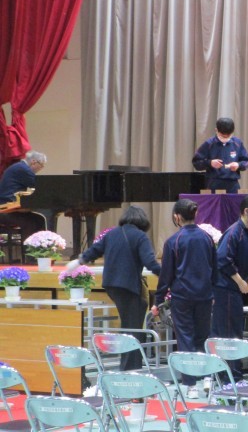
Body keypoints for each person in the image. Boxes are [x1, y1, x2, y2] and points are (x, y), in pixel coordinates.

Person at [66, 206, 161, 370]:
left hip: (111, 285)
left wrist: (79, 261)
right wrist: (168, 275)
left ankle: (129, 365)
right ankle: (130, 369)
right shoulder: (140, 236)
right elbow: (150, 262)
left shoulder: (111, 234)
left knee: (129, 322)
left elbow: (94, 251)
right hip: (128, 286)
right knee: (133, 328)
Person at [152, 199, 217, 399]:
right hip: (205, 295)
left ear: (177, 216)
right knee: (203, 336)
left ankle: (191, 385)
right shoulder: (207, 238)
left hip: (182, 297)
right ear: (195, 214)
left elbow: (166, 275)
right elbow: (214, 268)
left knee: (185, 338)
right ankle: (207, 377)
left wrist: (158, 300)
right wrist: (213, 292)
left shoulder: (173, 241)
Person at [211, 194, 248, 387]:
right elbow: (223, 259)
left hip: (235, 289)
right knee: (229, 334)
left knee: (235, 332)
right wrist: (240, 281)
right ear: (246, 212)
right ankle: (230, 378)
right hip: (225, 288)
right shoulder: (234, 232)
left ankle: (232, 376)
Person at [192, 117, 248, 193]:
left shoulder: (237, 143)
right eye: (223, 135)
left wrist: (238, 165)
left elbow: (247, 161)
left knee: (235, 200)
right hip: (213, 183)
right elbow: (196, 162)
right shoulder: (209, 143)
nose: (225, 137)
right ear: (216, 130)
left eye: (228, 135)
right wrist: (210, 163)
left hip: (232, 183)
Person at [0, 151, 49, 240]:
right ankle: (28, 248)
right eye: (41, 165)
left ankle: (39, 246)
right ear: (34, 162)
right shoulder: (23, 169)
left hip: (9, 208)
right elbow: (40, 187)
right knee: (31, 222)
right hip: (5, 210)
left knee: (38, 219)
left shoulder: (19, 167)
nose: (41, 168)